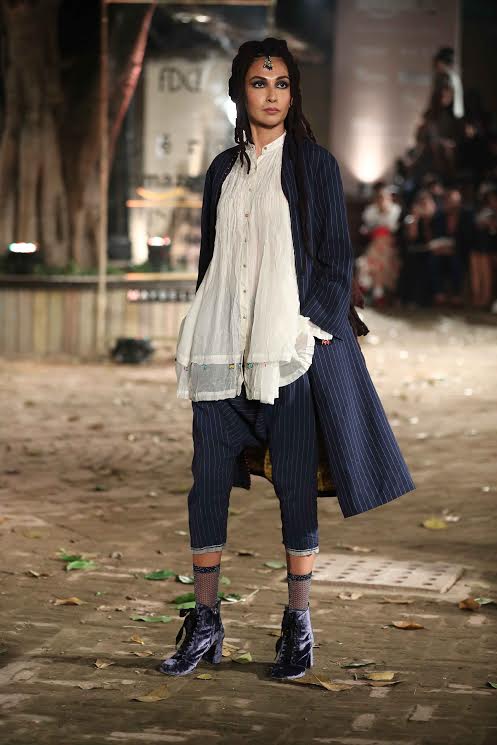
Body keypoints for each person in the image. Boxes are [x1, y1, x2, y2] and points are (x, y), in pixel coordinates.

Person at [159, 38, 416, 682]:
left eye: (281, 84)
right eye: (258, 82)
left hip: (287, 357)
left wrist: (312, 329)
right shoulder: (222, 170)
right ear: (239, 91)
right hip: (223, 352)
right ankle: (205, 620)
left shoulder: (314, 166)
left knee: (296, 487)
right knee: (206, 485)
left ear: (293, 93)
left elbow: (335, 261)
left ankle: (298, 621)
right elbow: (211, 260)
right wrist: (200, 321)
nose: (271, 94)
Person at [356, 181, 402, 306]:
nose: (381, 199)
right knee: (369, 263)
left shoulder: (395, 210)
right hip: (374, 244)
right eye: (379, 196)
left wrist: (385, 213)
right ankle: (375, 294)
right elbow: (367, 228)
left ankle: (380, 294)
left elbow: (394, 228)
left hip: (390, 245)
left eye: (384, 196)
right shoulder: (371, 210)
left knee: (384, 264)